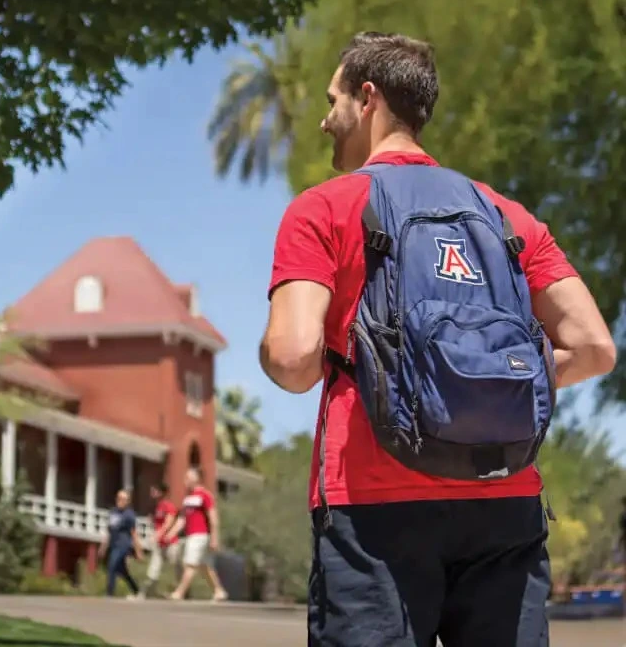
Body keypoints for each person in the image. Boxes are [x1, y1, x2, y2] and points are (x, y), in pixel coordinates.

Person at [260, 31, 616, 647]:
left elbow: (292, 360)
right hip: (504, 495)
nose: (325, 119)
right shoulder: (508, 216)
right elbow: (593, 348)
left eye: (333, 100)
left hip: (373, 504)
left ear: (366, 98)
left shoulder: (324, 209)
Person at [166, 467, 228, 602]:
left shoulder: (205, 495)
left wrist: (214, 537)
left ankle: (179, 592)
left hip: (201, 535)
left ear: (196, 478)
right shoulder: (187, 499)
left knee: (190, 564)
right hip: (191, 535)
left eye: (188, 477)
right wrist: (171, 532)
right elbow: (182, 519)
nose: (185, 481)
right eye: (185, 478)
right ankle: (219, 591)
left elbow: (213, 517)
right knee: (205, 566)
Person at [138, 481, 181, 599]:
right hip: (159, 544)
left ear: (161, 492)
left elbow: (169, 522)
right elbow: (155, 522)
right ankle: (147, 592)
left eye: (155, 490)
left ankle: (182, 591)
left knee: (175, 567)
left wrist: (158, 534)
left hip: (171, 543)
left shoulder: (168, 505)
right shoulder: (156, 506)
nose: (152, 492)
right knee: (154, 566)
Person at [99, 489, 143, 599]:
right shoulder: (113, 512)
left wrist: (138, 550)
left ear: (128, 502)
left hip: (123, 545)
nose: (121, 501)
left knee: (112, 565)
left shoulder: (129, 515)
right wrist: (103, 547)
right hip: (113, 544)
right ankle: (137, 590)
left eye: (124, 499)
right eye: (119, 498)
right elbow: (109, 531)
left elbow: (133, 533)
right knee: (122, 571)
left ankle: (109, 593)